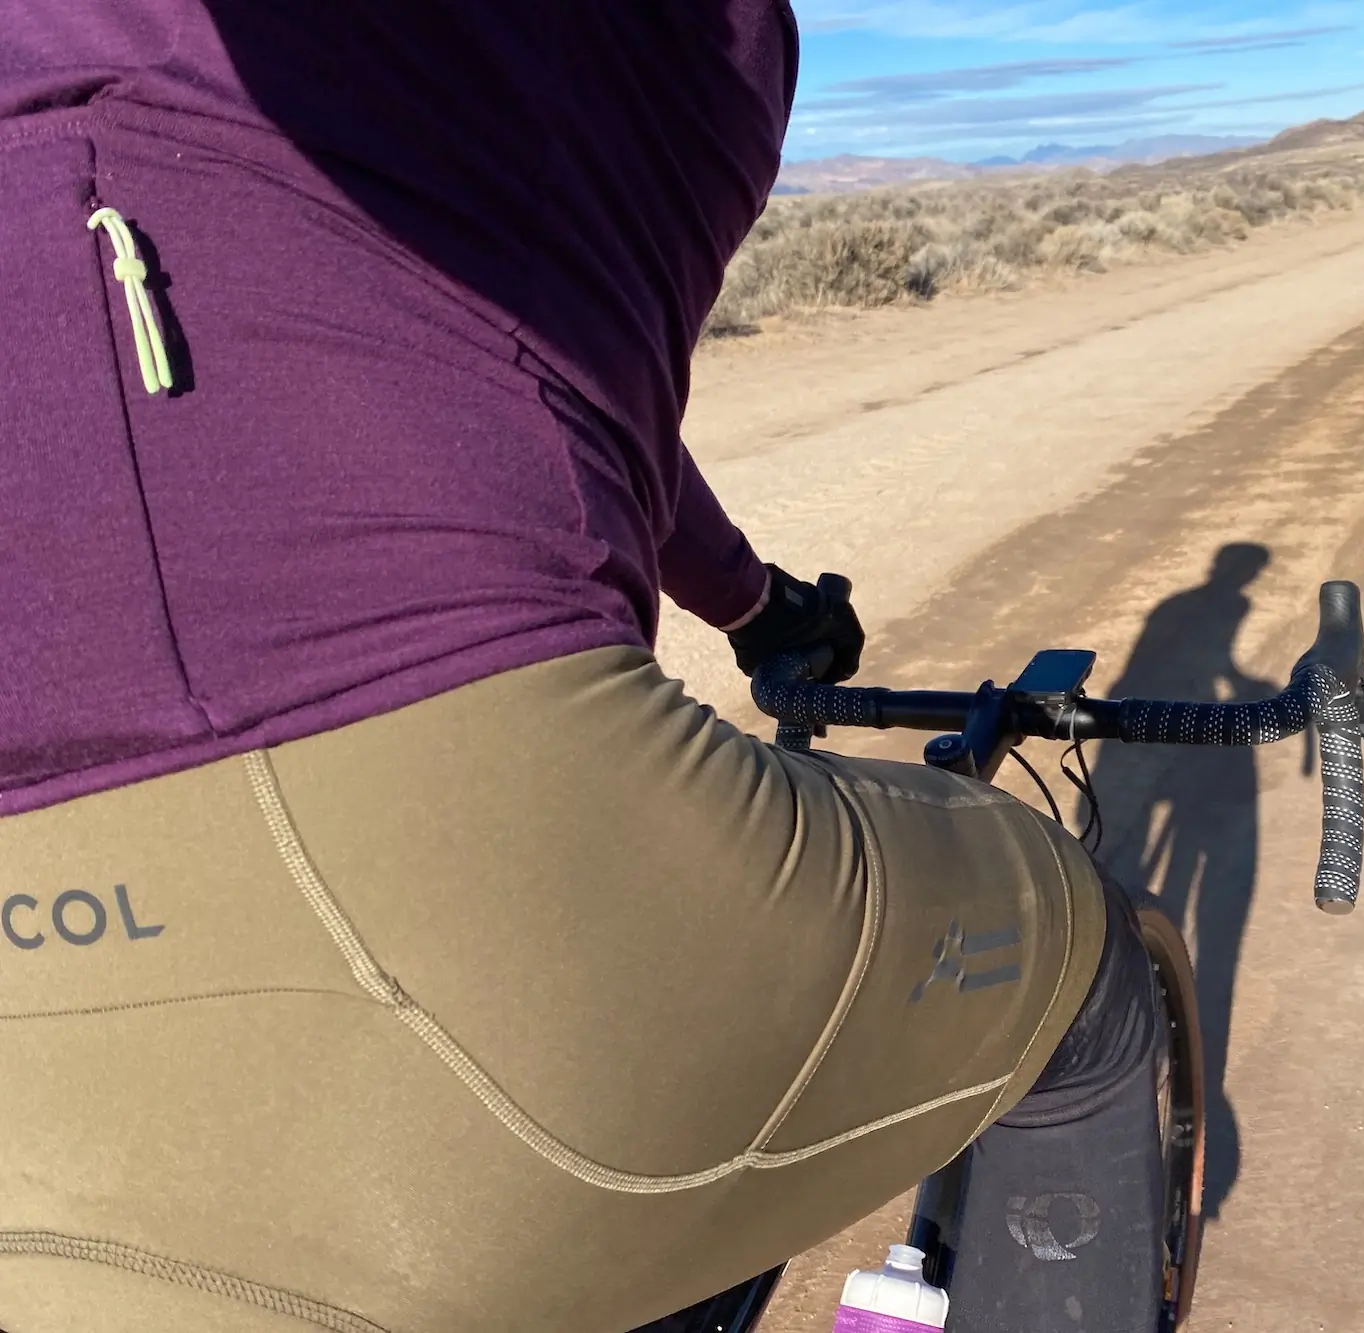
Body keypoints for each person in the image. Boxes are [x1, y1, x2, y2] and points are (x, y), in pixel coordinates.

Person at [0, 4, 1165, 1332]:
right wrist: (769, 611)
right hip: (449, 881)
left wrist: (751, 597)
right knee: (1087, 976)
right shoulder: (715, 46)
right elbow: (548, 373)